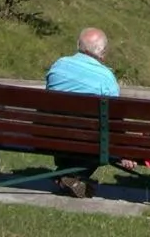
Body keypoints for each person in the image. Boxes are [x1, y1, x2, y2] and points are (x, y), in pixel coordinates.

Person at [45, 27, 135, 198]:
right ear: (103, 53)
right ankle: (72, 176)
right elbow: (114, 120)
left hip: (53, 137)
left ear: (78, 45)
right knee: (99, 136)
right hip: (90, 142)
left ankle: (68, 175)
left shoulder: (58, 66)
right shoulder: (106, 78)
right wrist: (125, 151)